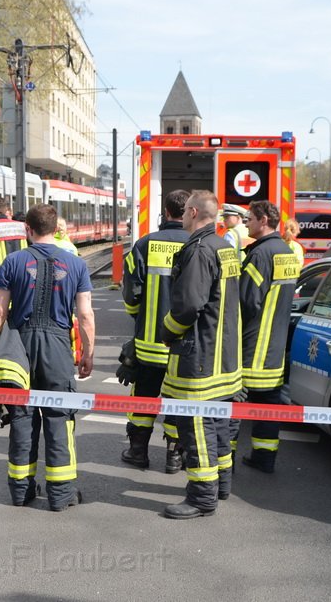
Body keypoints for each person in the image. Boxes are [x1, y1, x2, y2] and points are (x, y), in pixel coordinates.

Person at [0, 203, 95, 511]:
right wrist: (87, 353)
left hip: (19, 346)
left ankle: (21, 492)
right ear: (56, 229)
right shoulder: (75, 264)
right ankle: (61, 496)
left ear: (28, 230)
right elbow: (85, 315)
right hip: (58, 347)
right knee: (60, 418)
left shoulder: (13, 261)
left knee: (21, 417)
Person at [159, 190, 242, 519]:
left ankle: (202, 497)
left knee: (197, 427)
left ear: (192, 211)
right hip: (224, 357)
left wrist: (167, 331)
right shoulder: (225, 247)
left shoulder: (198, 249)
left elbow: (189, 305)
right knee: (219, 424)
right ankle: (221, 484)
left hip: (200, 357)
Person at [120, 189, 191, 473]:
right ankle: (174, 456)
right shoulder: (200, 244)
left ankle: (138, 451)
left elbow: (130, 293)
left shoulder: (144, 244)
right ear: (187, 211)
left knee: (144, 395)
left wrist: (140, 320)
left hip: (148, 343)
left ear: (166, 211)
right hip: (184, 346)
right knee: (177, 398)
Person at [230, 200, 302, 474]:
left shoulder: (260, 255)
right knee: (268, 407)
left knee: (235, 408)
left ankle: (226, 466)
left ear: (263, 221)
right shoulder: (285, 251)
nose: (246, 222)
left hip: (252, 346)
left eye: (249, 218)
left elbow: (247, 302)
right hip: (275, 347)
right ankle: (264, 458)